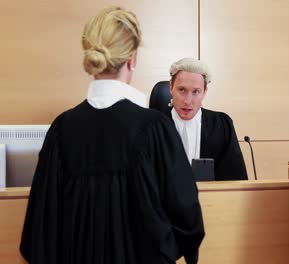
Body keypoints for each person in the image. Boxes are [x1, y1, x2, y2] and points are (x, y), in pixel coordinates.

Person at [19, 7, 204, 264]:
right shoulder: (154, 128)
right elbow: (188, 220)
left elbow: (37, 235)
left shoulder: (62, 130)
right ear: (132, 58)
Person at [164, 57, 248, 181]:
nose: (187, 100)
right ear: (171, 87)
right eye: (182, 90)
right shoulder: (152, 126)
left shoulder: (222, 125)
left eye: (196, 92)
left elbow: (235, 180)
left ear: (204, 92)